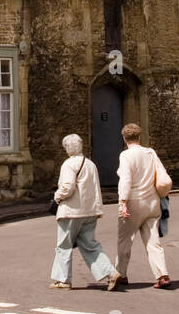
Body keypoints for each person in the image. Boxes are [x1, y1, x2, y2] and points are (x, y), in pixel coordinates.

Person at [50, 133, 122, 291]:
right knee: (90, 245)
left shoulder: (68, 164)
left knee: (63, 246)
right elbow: (95, 188)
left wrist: (57, 196)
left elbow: (68, 187)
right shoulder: (90, 164)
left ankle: (63, 280)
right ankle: (110, 273)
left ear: (68, 148)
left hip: (71, 211)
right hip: (90, 211)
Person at [115, 123, 169, 289]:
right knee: (153, 241)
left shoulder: (126, 155)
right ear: (139, 137)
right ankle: (162, 275)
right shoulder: (150, 152)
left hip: (134, 202)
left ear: (124, 138)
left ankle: (121, 274)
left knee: (125, 240)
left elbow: (126, 180)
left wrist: (123, 202)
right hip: (153, 202)